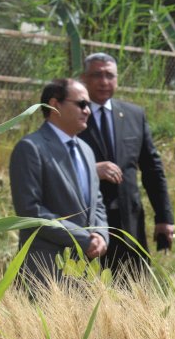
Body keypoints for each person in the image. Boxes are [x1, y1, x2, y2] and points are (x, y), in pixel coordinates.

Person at [78, 53, 174, 271]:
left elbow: (152, 169)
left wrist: (164, 217)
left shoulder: (134, 115)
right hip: (87, 225)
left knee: (133, 285)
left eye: (110, 75)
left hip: (129, 224)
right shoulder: (71, 113)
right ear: (84, 78)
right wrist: (91, 170)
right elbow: (57, 164)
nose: (104, 81)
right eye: (97, 75)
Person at [9, 79, 109, 284]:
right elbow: (30, 210)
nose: (88, 111)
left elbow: (97, 203)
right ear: (55, 105)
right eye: (81, 104)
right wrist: (82, 238)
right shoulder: (30, 148)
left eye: (88, 105)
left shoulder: (86, 150)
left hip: (86, 272)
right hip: (46, 273)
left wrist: (100, 235)